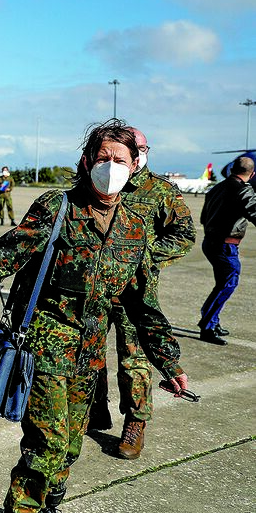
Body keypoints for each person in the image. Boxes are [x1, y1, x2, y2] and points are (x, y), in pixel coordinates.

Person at [0, 119, 188, 513]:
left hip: (89, 354)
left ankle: (48, 506)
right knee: (47, 444)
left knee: (71, 443)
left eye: (120, 160)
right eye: (103, 158)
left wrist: (169, 362)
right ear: (87, 161)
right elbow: (3, 256)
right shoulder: (58, 207)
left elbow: (143, 304)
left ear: (134, 166)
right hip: (46, 345)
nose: (111, 167)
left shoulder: (135, 227)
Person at [89, 127, 195, 460]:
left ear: (140, 155)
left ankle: (135, 423)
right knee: (89, 353)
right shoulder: (97, 182)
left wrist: (144, 257)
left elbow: (184, 235)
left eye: (141, 147)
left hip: (135, 292)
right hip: (95, 288)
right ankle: (95, 410)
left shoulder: (160, 190)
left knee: (133, 360)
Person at [198, 155, 256, 344]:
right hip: (225, 245)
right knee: (228, 283)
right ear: (252, 174)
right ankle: (207, 327)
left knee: (221, 284)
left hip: (210, 242)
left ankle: (212, 321)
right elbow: (254, 211)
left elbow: (203, 218)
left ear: (231, 170)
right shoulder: (244, 189)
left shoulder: (216, 188)